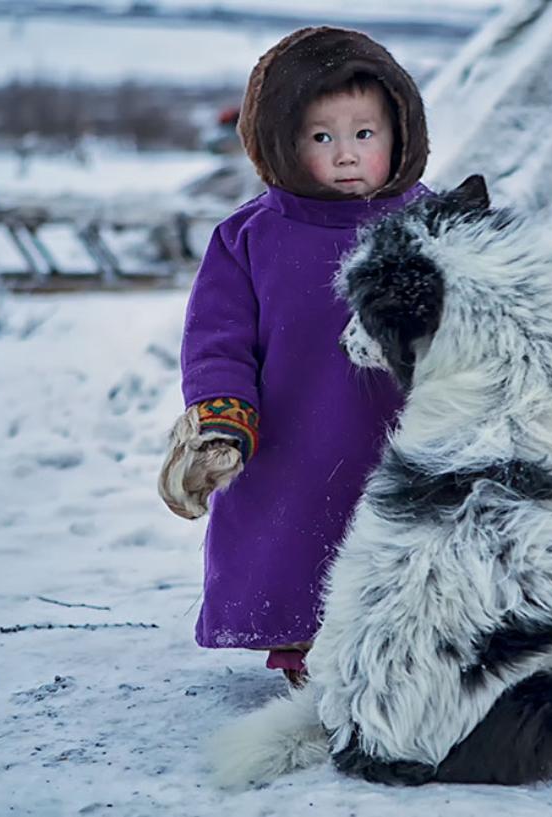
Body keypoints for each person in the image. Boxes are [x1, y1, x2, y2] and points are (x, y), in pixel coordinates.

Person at [157, 26, 430, 686]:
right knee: (300, 540)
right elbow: (217, 338)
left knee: (410, 543)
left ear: (400, 132)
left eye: (363, 134)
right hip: (292, 437)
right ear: (279, 140)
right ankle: (305, 649)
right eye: (320, 137)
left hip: (406, 430)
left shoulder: (432, 223)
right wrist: (222, 418)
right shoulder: (249, 237)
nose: (345, 155)